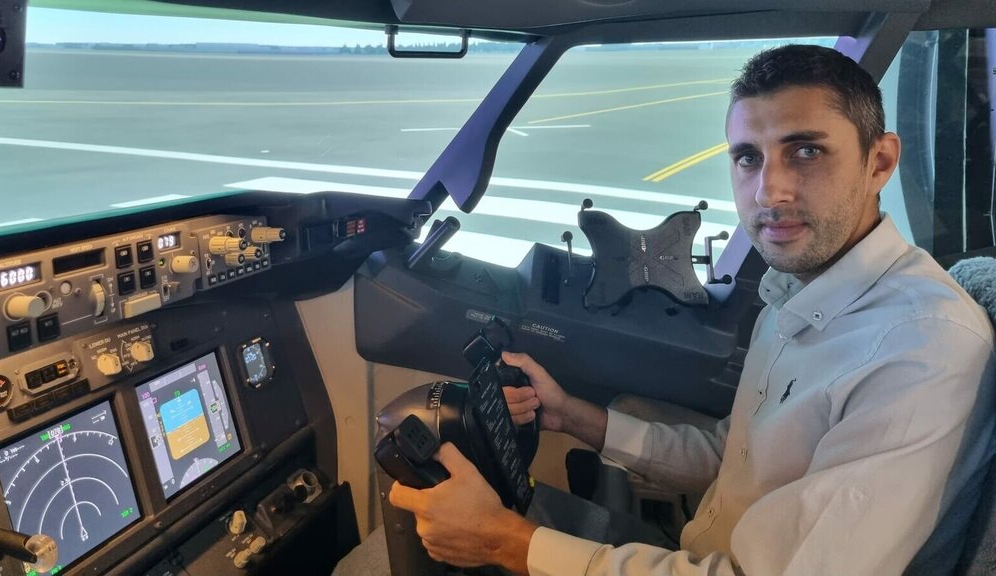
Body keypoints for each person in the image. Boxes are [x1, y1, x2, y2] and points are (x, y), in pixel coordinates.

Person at [387, 44, 996, 575]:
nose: (769, 191)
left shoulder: (920, 350)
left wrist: (506, 543)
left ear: (880, 162)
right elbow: (734, 459)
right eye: (748, 157)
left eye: (807, 151)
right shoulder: (797, 291)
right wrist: (574, 416)